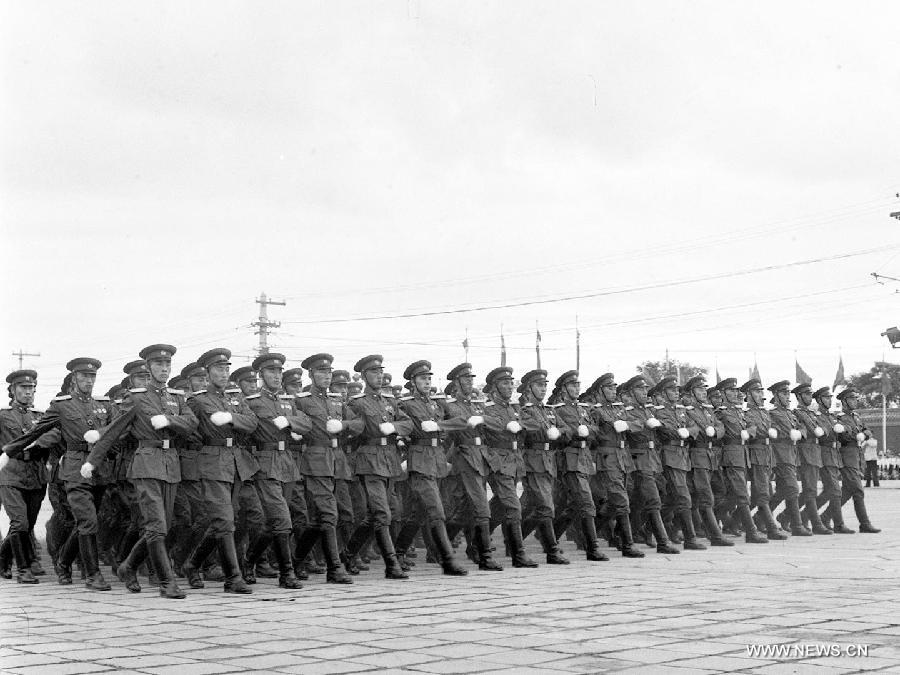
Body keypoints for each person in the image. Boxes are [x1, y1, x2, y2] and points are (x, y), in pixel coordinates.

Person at [83, 344, 199, 599]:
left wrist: (170, 420)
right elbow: (116, 429)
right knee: (157, 526)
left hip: (171, 464)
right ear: (148, 368)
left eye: (167, 365)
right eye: (158, 365)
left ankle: (129, 566)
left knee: (163, 526)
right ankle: (167, 583)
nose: (164, 369)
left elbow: (192, 423)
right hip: (146, 463)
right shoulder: (136, 398)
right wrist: (92, 461)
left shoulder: (177, 398)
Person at [2, 358, 116, 589]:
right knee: (25, 523)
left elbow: (112, 431)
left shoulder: (102, 405)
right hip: (44, 471)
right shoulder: (58, 406)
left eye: (92, 376)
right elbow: (36, 433)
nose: (89, 380)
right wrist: (10, 451)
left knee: (78, 523)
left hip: (82, 471)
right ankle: (88, 574)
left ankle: (61, 561)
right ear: (74, 378)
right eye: (83, 376)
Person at [181, 348, 257, 593]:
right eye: (218, 369)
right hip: (212, 462)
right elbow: (189, 429)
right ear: (208, 372)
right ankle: (233, 578)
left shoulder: (235, 399)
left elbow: (253, 422)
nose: (223, 374)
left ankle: (192, 564)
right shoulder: (198, 400)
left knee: (225, 521)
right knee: (224, 521)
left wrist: (231, 418)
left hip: (236, 462)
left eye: (226, 369)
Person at [291, 353, 362, 584]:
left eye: (329, 372)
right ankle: (335, 568)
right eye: (321, 372)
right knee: (329, 513)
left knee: (328, 516)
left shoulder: (336, 400)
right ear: (311, 375)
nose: (327, 376)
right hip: (315, 459)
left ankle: (295, 560)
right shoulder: (301, 400)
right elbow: (293, 421)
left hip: (337, 460)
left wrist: (344, 424)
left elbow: (359, 423)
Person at [342, 355, 414, 579]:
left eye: (380, 372)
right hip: (369, 460)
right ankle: (391, 564)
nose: (379, 376)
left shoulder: (389, 401)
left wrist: (392, 426)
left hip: (389, 459)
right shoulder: (357, 402)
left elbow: (408, 423)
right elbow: (353, 429)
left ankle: (347, 554)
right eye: (374, 372)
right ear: (364, 377)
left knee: (382, 514)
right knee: (382, 513)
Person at [242, 353, 310, 589]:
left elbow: (307, 423)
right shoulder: (252, 402)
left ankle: (248, 561)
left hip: (287, 463)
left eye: (279, 372)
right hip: (265, 463)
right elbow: (246, 428)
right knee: (282, 519)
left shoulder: (288, 402)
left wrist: (289, 422)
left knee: (273, 524)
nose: (277, 376)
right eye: (271, 372)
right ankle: (286, 573)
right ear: (261, 376)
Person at [394, 360, 468, 575]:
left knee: (417, 514)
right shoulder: (405, 404)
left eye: (428, 379)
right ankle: (447, 561)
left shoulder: (437, 404)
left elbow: (462, 420)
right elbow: (403, 427)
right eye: (422, 379)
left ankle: (397, 553)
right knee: (436, 512)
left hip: (436, 460)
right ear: (412, 382)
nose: (427, 382)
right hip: (419, 460)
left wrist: (440, 425)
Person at [481, 367, 538, 568]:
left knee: (498, 506)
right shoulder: (488, 408)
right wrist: (506, 426)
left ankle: (477, 542)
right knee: (514, 507)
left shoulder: (513, 408)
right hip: (498, 461)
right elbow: (487, 424)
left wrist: (521, 424)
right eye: (505, 383)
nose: (509, 386)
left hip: (514, 461)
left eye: (510, 382)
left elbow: (531, 423)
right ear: (494, 388)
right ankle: (518, 555)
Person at [550, 370, 609, 561]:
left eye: (577, 385)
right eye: (572, 386)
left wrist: (588, 430)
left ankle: (549, 537)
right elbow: (558, 433)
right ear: (564, 389)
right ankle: (592, 548)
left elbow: (596, 430)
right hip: (570, 457)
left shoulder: (583, 409)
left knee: (575, 504)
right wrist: (576, 432)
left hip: (584, 457)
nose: (576, 389)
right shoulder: (557, 410)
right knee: (586, 502)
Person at [619, 375, 680, 554]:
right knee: (652, 499)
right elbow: (627, 426)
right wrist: (643, 423)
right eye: (640, 389)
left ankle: (625, 532)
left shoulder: (650, 411)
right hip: (639, 458)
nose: (645, 392)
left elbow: (667, 428)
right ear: (631, 393)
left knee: (645, 499)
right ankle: (663, 541)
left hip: (654, 458)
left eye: (645, 389)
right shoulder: (626, 411)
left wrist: (659, 424)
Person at [0, 370, 49, 583]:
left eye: (31, 389)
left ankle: (3, 559)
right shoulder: (3, 416)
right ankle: (23, 569)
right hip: (11, 473)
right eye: (23, 388)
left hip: (36, 474)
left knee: (27, 524)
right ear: (13, 390)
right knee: (19, 522)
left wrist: (40, 444)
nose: (28, 392)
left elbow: (53, 436)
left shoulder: (41, 416)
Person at [652, 376, 706, 550]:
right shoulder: (659, 411)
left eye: (677, 390)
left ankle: (648, 530)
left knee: (672, 499)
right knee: (683, 497)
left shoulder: (682, 410)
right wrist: (680, 432)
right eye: (672, 390)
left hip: (683, 456)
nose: (676, 393)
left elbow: (695, 427)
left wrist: (687, 431)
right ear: (663, 393)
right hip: (670, 455)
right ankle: (690, 539)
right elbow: (665, 430)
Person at [714, 378, 768, 544]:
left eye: (736, 390)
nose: (735, 393)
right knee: (742, 493)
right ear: (722, 393)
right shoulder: (720, 413)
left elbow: (752, 426)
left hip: (743, 454)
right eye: (730, 390)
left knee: (733, 495)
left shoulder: (739, 412)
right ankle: (751, 532)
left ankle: (716, 518)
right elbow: (718, 432)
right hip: (730, 454)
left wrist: (749, 431)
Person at [682, 376, 732, 546]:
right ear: (691, 393)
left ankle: (698, 527)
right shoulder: (688, 411)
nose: (703, 392)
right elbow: (694, 429)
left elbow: (721, 427)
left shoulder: (708, 410)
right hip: (698, 454)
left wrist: (716, 431)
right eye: (699, 390)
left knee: (718, 491)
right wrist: (707, 431)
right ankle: (715, 535)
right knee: (705, 495)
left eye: (704, 389)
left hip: (711, 457)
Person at [740, 379, 787, 540]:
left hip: (767, 453)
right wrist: (768, 430)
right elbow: (754, 430)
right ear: (748, 395)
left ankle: (734, 522)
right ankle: (771, 527)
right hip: (757, 452)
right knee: (762, 492)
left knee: (764, 493)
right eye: (757, 392)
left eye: (761, 392)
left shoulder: (764, 412)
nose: (761, 395)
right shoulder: (747, 413)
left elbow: (777, 428)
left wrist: (773, 430)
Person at [766, 380, 810, 537]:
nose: (787, 396)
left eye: (787, 394)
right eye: (784, 394)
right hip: (780, 454)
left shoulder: (790, 414)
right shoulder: (772, 414)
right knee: (792, 488)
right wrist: (785, 434)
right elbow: (772, 429)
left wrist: (800, 433)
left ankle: (759, 517)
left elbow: (802, 427)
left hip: (792, 454)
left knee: (783, 490)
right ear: (776, 396)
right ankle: (797, 525)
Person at [833, 388, 880, 533]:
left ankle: (828, 518)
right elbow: (842, 437)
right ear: (844, 402)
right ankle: (864, 523)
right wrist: (856, 436)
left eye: (855, 399)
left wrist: (864, 435)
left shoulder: (857, 417)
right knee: (858, 490)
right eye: (852, 399)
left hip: (857, 455)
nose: (855, 401)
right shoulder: (839, 418)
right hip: (847, 455)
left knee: (847, 492)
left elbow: (868, 430)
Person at [792, 383, 833, 534]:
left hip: (815, 452)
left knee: (811, 490)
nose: (810, 397)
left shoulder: (812, 413)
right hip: (806, 452)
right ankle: (816, 523)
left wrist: (821, 430)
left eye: (810, 394)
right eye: (807, 394)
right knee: (810, 490)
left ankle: (786, 516)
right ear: (799, 397)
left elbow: (826, 430)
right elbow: (800, 429)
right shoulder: (797, 413)